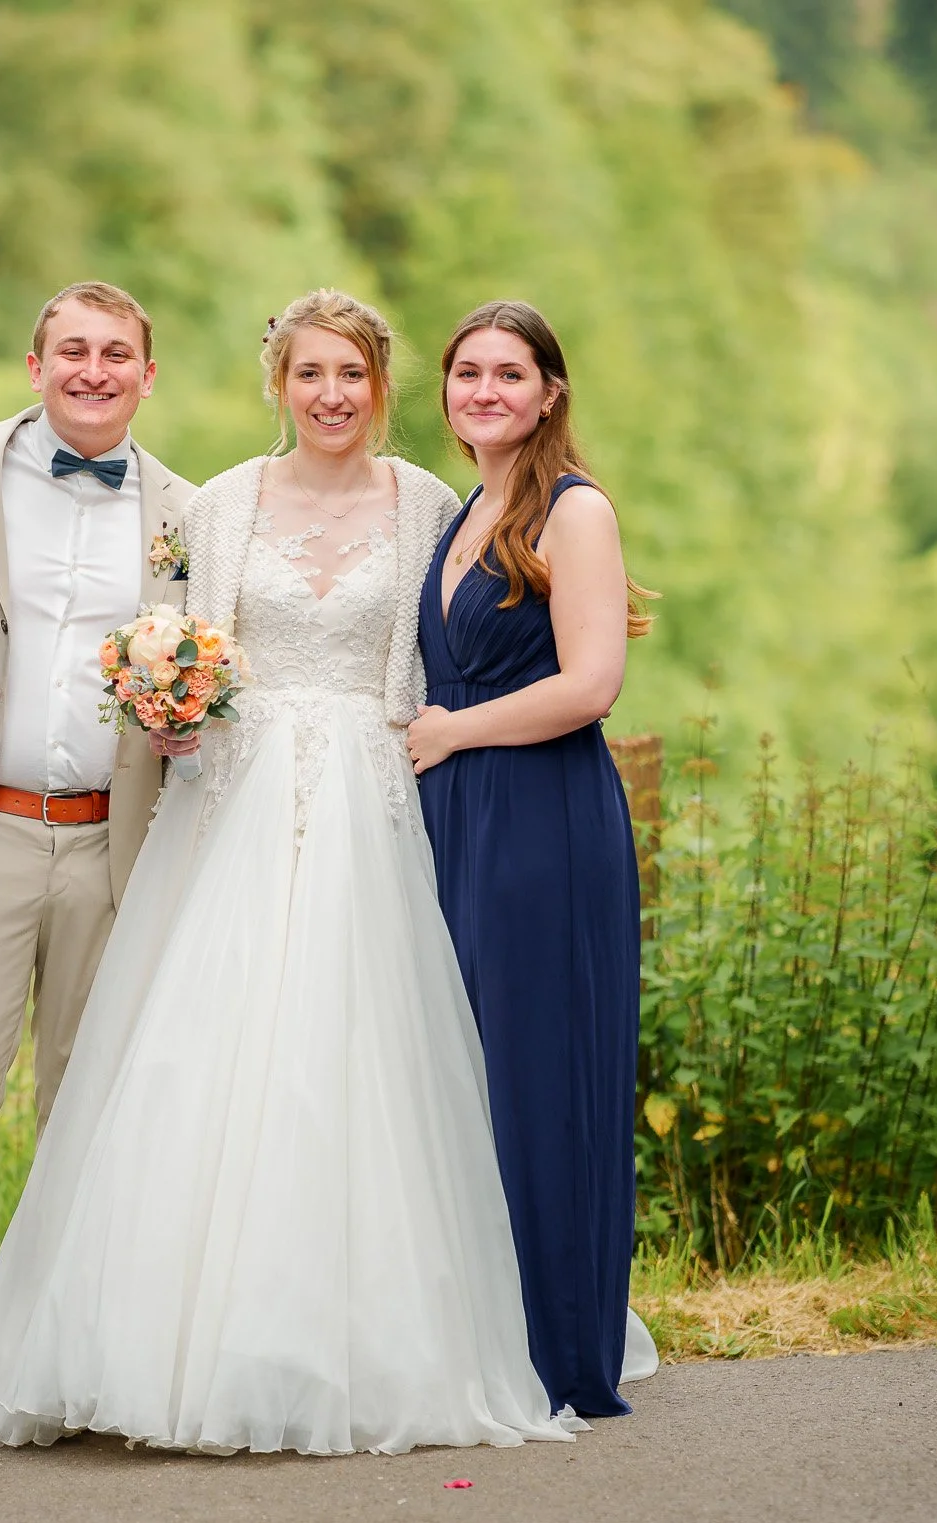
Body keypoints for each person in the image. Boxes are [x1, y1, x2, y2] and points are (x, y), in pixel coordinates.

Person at [0, 290, 572, 1456]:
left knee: (351, 1063)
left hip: (370, 799)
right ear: (277, 384)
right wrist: (171, 708)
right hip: (226, 803)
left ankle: (342, 1345)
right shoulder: (221, 501)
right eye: (307, 375)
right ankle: (153, 1347)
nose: (329, 395)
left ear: (379, 386)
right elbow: (184, 636)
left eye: (350, 375)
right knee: (195, 1056)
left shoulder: (432, 502)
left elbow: (442, 653)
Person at [0, 283, 198, 1443]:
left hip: (120, 843)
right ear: (32, 363)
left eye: (118, 353)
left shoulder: (186, 513)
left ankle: (77, 1349)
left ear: (148, 376)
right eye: (74, 349)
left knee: (92, 1103)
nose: (95, 370)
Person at [409, 300, 659, 1421]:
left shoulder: (575, 509)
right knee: (469, 1082)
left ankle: (562, 1353)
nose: (485, 391)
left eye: (510, 373)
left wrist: (453, 729)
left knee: (538, 1076)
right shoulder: (465, 509)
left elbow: (591, 683)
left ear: (550, 390)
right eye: (467, 373)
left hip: (542, 820)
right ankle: (486, 1337)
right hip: (457, 815)